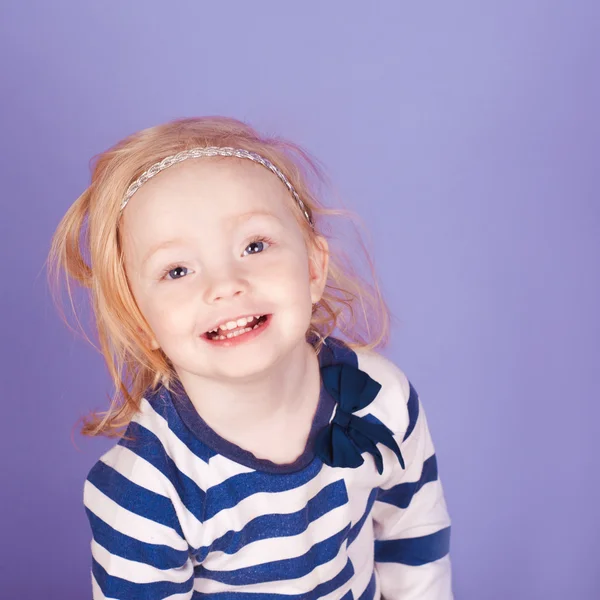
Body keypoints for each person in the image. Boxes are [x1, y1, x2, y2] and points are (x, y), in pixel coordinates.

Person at [48, 116, 453, 599]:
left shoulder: (378, 398)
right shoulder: (148, 489)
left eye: (254, 245)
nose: (225, 285)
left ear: (314, 268)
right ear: (140, 322)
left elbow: (416, 542)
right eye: (177, 270)